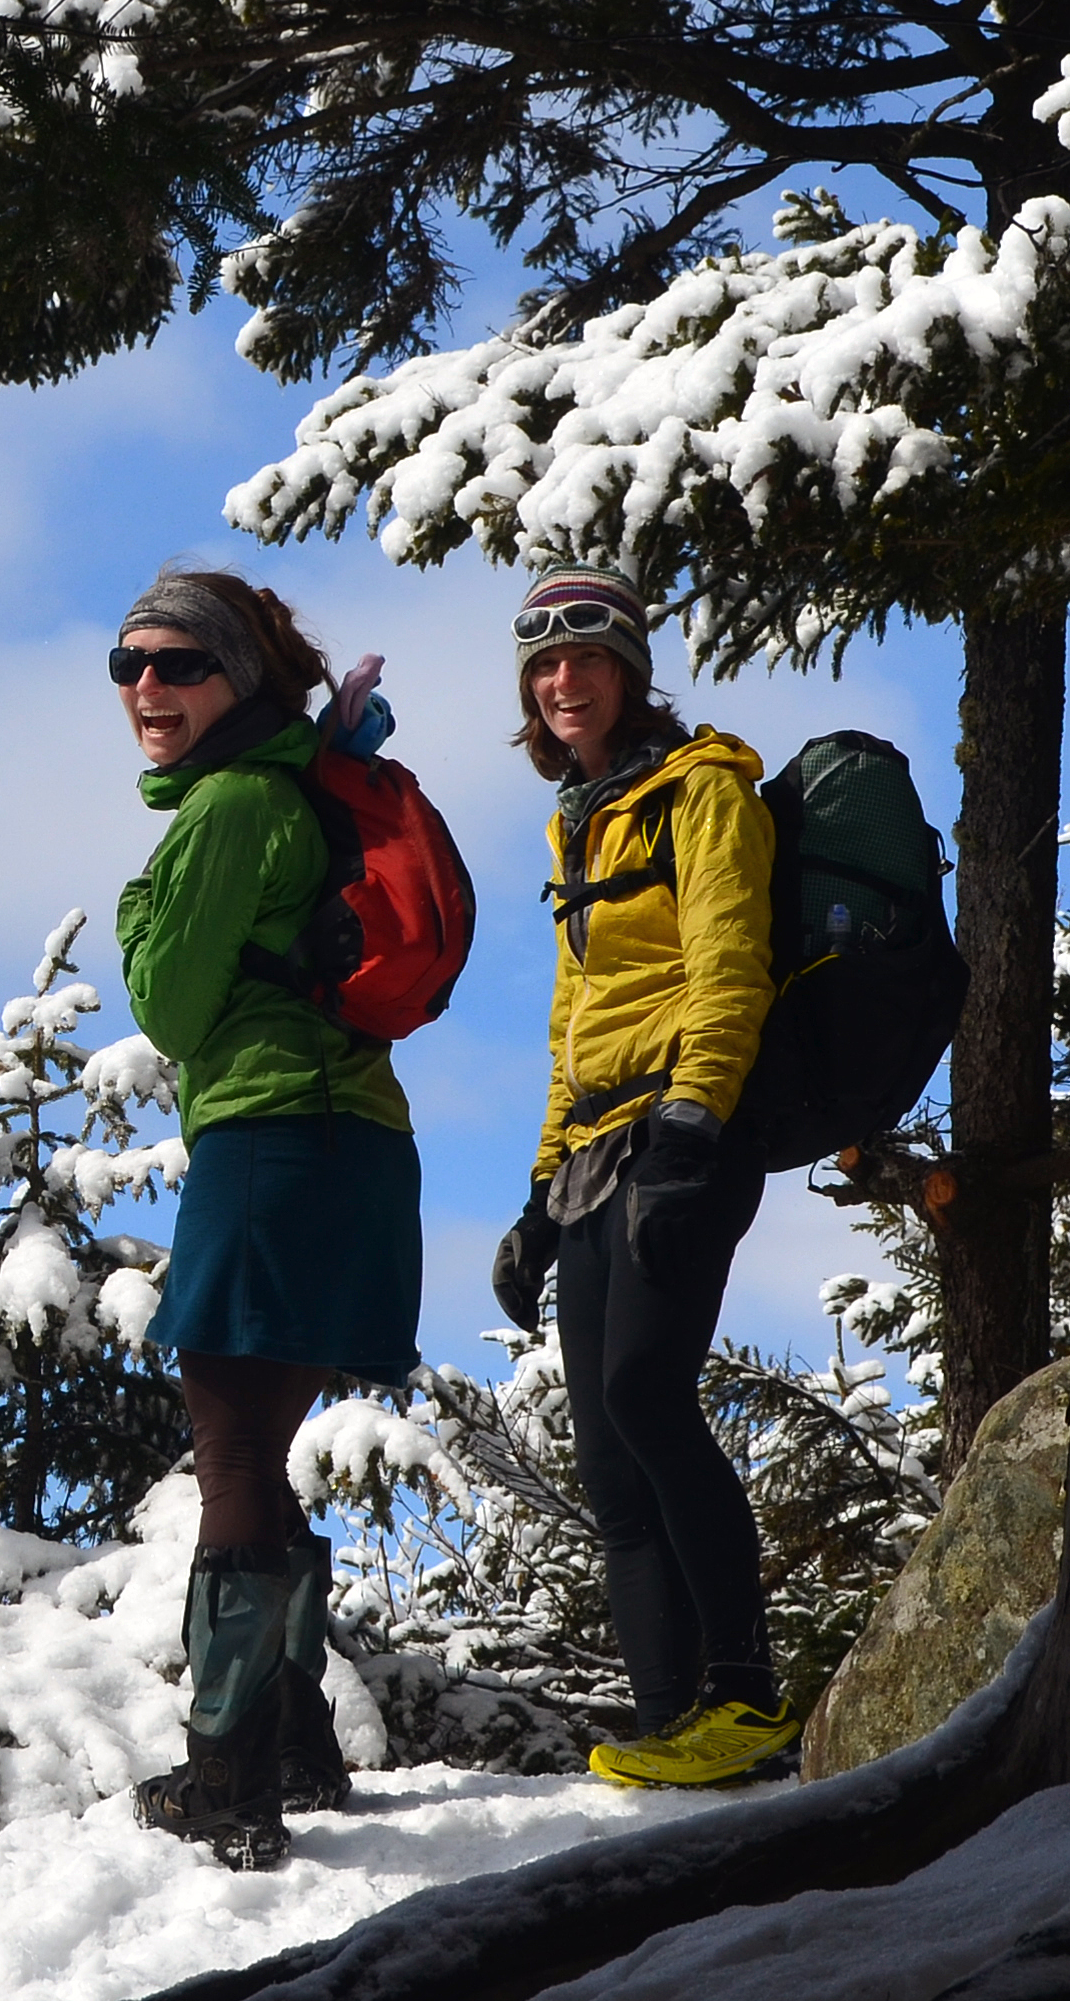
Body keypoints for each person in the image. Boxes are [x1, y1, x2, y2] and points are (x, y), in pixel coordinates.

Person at [107, 568, 420, 1871]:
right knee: (261, 1449)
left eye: (176, 663)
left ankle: (230, 1779)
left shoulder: (233, 805)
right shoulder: (292, 788)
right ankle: (296, 1745)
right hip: (357, 1149)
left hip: (271, 1137)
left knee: (231, 1452)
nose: (145, 689)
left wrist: (138, 914)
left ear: (237, 674)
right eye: (124, 665)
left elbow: (170, 1010)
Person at [481, 566, 801, 1789]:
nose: (565, 682)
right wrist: (535, 1192)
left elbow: (731, 964)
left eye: (588, 658)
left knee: (648, 1396)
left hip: (678, 1135)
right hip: (595, 1159)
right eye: (544, 666)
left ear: (628, 669)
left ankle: (745, 1702)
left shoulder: (699, 788)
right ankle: (669, 1724)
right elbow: (576, 1023)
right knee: (610, 1454)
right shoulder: (583, 815)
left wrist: (688, 1134)